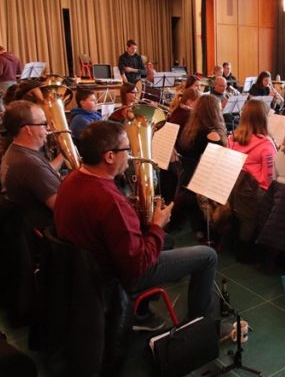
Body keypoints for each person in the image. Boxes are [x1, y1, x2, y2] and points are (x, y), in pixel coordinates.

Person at [54, 121, 217, 321]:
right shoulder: (109, 200)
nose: (131, 155)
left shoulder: (71, 179)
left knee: (166, 240)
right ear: (110, 156)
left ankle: (142, 309)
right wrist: (157, 224)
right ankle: (200, 323)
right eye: (127, 149)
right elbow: (137, 265)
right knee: (207, 256)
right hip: (115, 274)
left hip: (84, 269)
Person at [0, 100, 64, 229]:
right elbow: (63, 208)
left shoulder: (15, 150)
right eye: (43, 124)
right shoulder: (30, 164)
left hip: (28, 223)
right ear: (28, 130)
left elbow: (42, 176)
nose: (48, 128)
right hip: (48, 228)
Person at [176, 93, 226, 182]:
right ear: (215, 112)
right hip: (199, 180)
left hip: (183, 176)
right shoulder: (212, 135)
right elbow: (216, 167)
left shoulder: (189, 128)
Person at [228, 98, 276, 190]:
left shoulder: (232, 139)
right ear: (264, 119)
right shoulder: (266, 144)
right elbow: (269, 182)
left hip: (234, 192)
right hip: (256, 195)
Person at [0, 45, 21, 112]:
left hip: (4, 82)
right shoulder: (15, 57)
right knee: (11, 100)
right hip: (14, 82)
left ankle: (2, 116)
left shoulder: (1, 57)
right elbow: (19, 71)